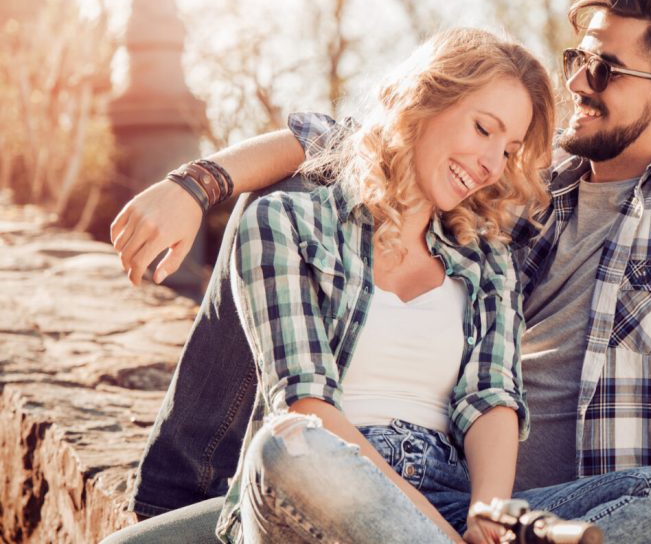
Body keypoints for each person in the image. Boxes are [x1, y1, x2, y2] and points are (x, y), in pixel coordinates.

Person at [110, 0, 651, 543]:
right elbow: (350, 141)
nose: (577, 83)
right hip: (363, 485)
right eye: (577, 59)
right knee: (286, 448)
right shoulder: (534, 184)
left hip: (536, 512)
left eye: (603, 67)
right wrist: (196, 184)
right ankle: (183, 491)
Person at [105, 27, 555, 544]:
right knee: (291, 444)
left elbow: (491, 395)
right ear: (425, 99)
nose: (492, 165)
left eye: (509, 149)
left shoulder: (487, 257)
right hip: (319, 481)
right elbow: (306, 406)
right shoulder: (289, 223)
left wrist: (487, 513)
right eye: (483, 129)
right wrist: (196, 184)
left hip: (451, 496)